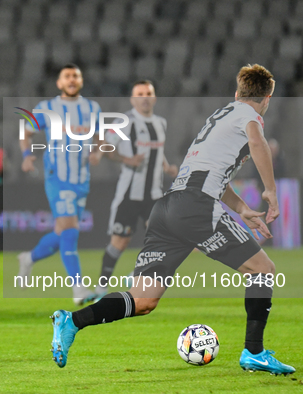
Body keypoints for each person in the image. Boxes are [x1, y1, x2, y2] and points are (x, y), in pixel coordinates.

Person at [50, 64, 295, 375]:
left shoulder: (222, 116)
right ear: (268, 97)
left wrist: (243, 208)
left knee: (143, 300)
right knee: (263, 269)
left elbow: (212, 175)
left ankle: (71, 321)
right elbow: (259, 144)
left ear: (237, 93)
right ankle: (254, 352)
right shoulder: (250, 117)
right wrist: (270, 191)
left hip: (167, 208)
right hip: (195, 206)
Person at [18, 63, 101, 305]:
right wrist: (26, 156)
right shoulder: (48, 108)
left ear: (81, 81)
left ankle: (29, 258)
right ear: (59, 83)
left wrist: (97, 153)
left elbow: (101, 136)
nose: (72, 80)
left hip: (81, 179)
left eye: (76, 76)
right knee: (71, 229)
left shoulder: (92, 108)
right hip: (57, 176)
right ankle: (78, 288)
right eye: (67, 76)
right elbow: (26, 131)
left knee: (61, 233)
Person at [89, 80, 178, 296]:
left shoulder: (161, 123)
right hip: (129, 194)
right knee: (119, 243)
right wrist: (121, 158)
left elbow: (157, 151)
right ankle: (101, 287)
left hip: (154, 195)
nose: (144, 97)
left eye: (148, 93)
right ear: (132, 99)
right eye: (139, 94)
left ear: (154, 97)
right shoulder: (125, 122)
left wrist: (167, 167)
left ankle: (136, 273)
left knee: (165, 238)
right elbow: (107, 145)